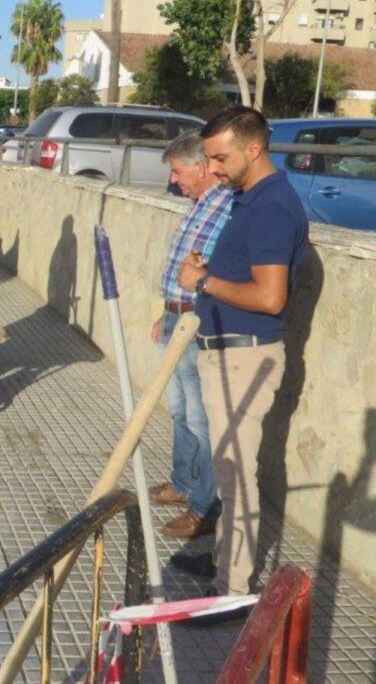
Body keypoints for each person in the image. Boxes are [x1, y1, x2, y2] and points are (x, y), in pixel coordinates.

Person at [175, 107, 309, 603]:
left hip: (244, 359)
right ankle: (220, 564)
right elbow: (250, 270)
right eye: (208, 159)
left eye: (220, 158)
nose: (212, 169)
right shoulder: (249, 198)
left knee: (236, 478)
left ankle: (232, 591)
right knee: (229, 473)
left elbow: (271, 297)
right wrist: (213, 268)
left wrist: (204, 282)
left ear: (254, 149)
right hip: (228, 352)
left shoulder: (272, 206)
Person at [149, 133, 233, 540]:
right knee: (179, 409)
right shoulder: (200, 204)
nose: (175, 181)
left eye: (179, 172)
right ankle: (182, 484)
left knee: (202, 419)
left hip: (197, 322)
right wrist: (163, 314)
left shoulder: (227, 207)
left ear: (201, 167)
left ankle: (204, 507)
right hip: (174, 317)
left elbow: (216, 271)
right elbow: (182, 267)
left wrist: (186, 313)